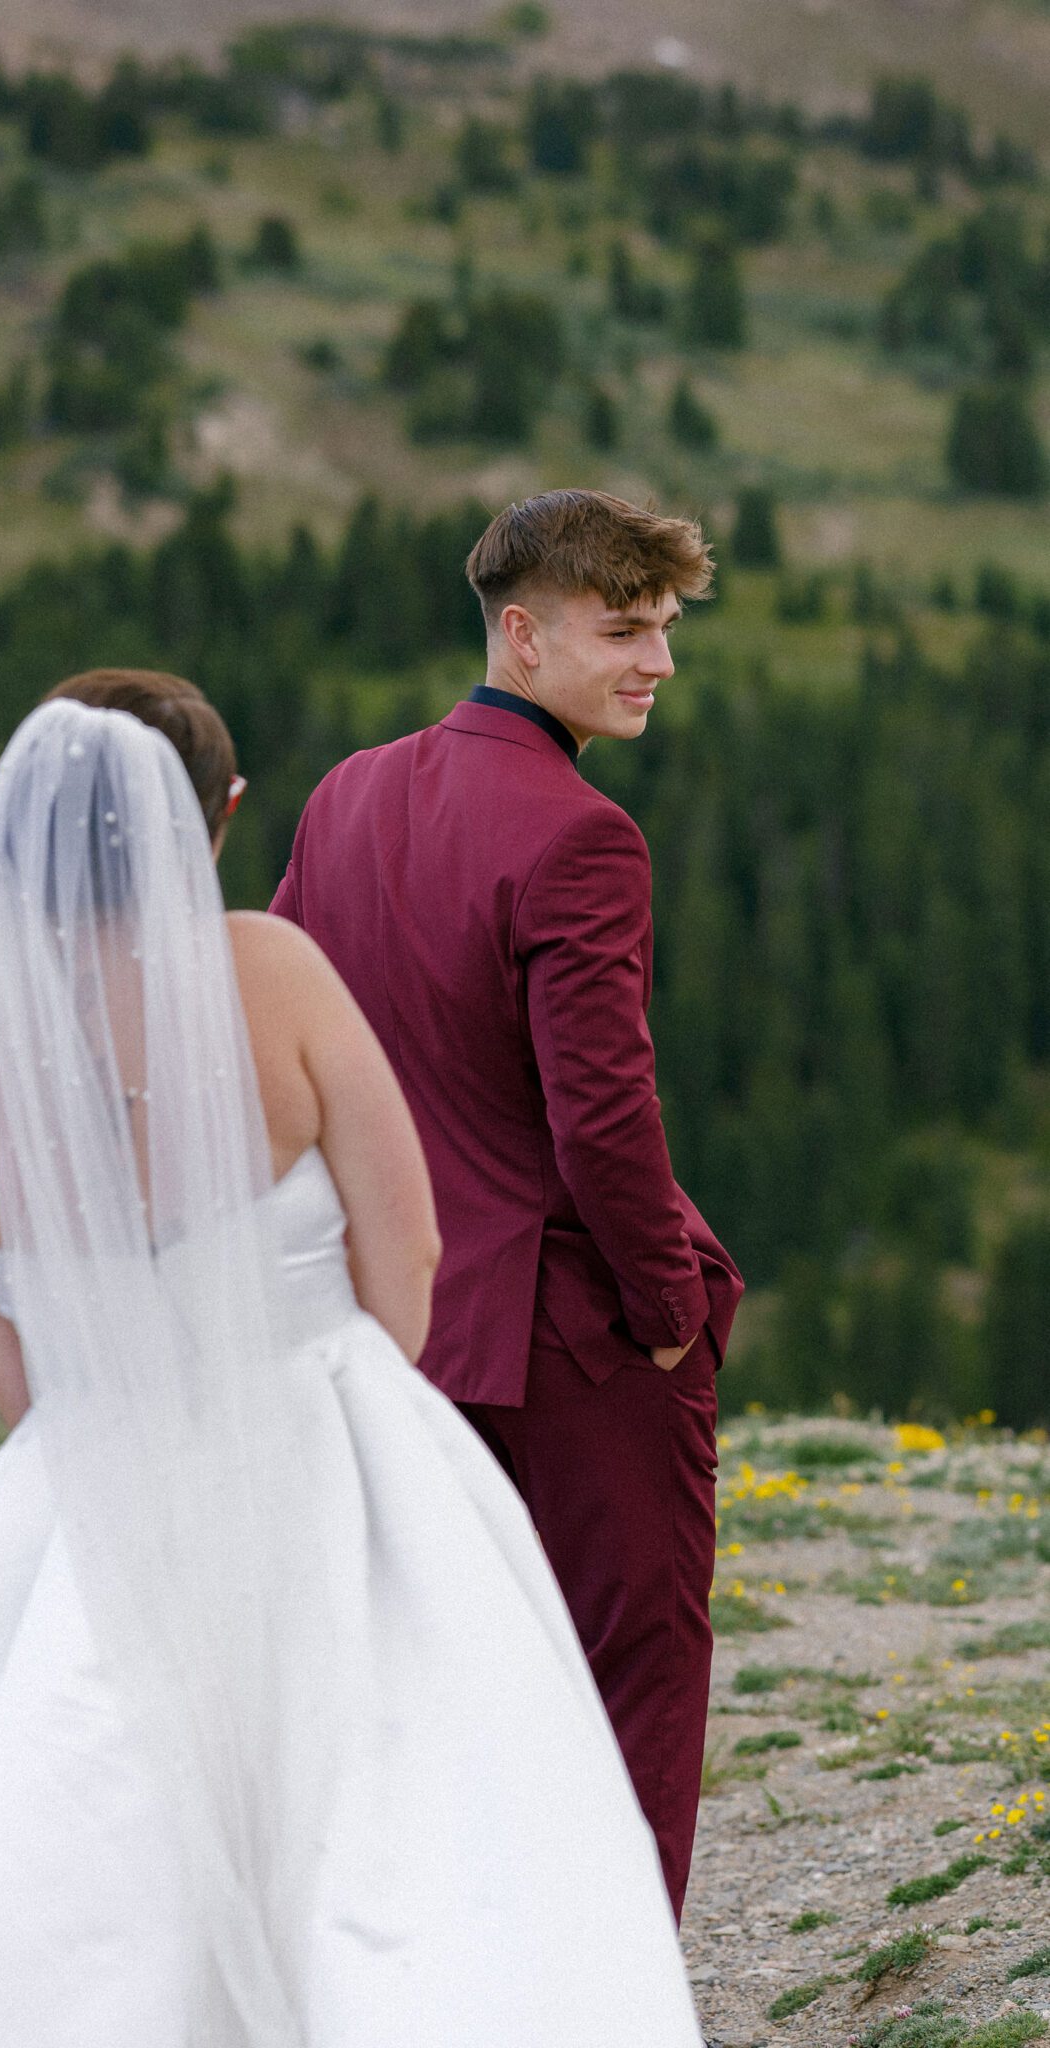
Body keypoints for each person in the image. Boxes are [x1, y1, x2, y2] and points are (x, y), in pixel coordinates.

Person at [0, 667, 702, 2046]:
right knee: (422, 1818)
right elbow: (403, 1261)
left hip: (97, 1476)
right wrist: (349, 1400)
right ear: (213, 817)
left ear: (7, 830)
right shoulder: (269, 971)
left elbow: (13, 1375)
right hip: (319, 1429)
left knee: (72, 1812)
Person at [271, 490, 745, 1921]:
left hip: (391, 1330)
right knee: (629, 1679)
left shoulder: (345, 794)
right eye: (623, 631)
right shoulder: (580, 836)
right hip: (570, 1338)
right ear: (521, 634)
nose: (656, 662)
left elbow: (292, 1058)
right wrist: (666, 1311)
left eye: (664, 630)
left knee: (430, 1683)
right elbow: (600, 1116)